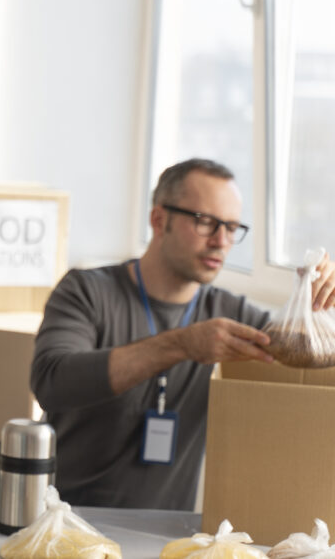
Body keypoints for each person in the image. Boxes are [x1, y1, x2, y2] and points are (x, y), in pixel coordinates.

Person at [30, 158, 335, 510]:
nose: (222, 241)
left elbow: (308, 360)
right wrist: (180, 344)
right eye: (206, 223)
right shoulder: (86, 291)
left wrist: (318, 303)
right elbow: (51, 381)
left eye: (233, 227)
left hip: (165, 536)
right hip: (62, 521)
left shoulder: (231, 313)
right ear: (159, 220)